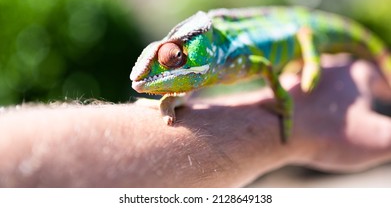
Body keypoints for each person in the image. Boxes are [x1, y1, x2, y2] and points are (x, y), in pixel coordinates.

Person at [0, 56, 390, 187]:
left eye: (172, 56)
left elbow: (259, 65)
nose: (155, 74)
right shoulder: (205, 68)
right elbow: (196, 81)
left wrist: (289, 109)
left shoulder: (220, 51)